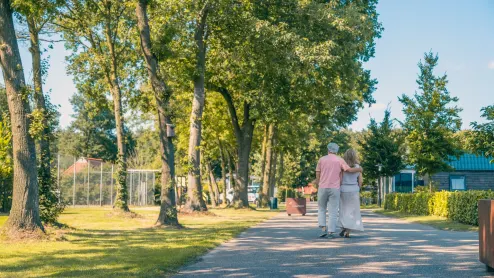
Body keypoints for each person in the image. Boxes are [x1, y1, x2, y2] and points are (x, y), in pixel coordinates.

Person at [315, 143, 362, 238]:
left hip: (323, 187)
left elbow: (317, 174)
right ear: (336, 151)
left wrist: (318, 185)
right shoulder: (340, 160)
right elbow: (348, 170)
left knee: (322, 208)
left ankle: (323, 229)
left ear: (328, 149)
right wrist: (359, 169)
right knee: (333, 211)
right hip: (335, 188)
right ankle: (331, 232)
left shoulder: (321, 159)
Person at [338, 149, 364, 238]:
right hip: (354, 190)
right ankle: (348, 231)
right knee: (353, 211)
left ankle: (343, 227)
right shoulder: (358, 167)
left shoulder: (342, 166)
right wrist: (358, 188)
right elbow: (360, 181)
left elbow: (339, 179)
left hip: (343, 189)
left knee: (343, 210)